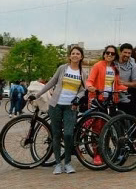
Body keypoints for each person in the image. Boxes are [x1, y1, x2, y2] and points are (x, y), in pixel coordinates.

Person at [30, 45, 88, 174]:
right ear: (69, 56)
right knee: (56, 134)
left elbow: (83, 90)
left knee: (68, 134)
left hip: (71, 107)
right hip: (56, 105)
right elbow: (51, 82)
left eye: (78, 53)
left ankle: (67, 163)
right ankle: (57, 163)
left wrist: (77, 98)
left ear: (81, 57)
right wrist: (38, 95)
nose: (75, 55)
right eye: (73, 53)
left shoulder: (82, 73)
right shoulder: (62, 68)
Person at [115, 43, 136, 116]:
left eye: (129, 53)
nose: (127, 55)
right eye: (125, 52)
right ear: (120, 52)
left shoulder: (133, 65)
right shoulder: (113, 62)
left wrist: (123, 83)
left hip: (126, 98)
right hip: (112, 97)